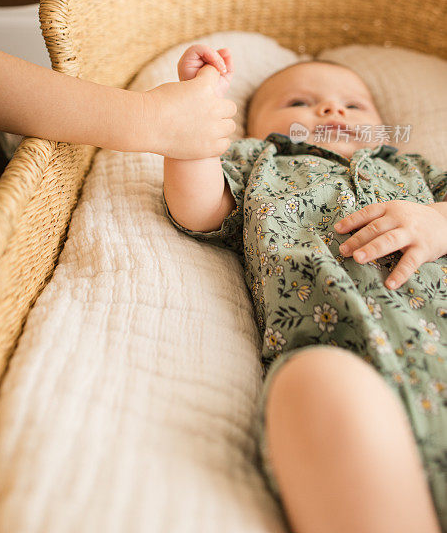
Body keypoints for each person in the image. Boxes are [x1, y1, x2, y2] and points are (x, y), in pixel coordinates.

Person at [163, 44, 446, 533]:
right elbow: (199, 208)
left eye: (355, 106)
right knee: (313, 384)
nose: (333, 110)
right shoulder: (257, 161)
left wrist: (438, 221)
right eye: (297, 103)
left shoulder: (411, 170)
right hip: (338, 351)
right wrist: (192, 117)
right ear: (253, 127)